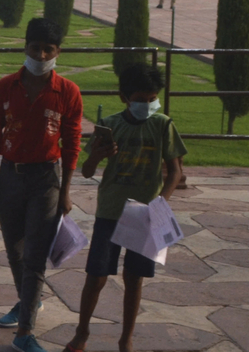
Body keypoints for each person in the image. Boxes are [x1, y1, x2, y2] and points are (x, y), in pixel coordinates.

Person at [0, 18, 83, 352]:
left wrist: (65, 191)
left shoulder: (67, 92)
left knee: (35, 253)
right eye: (35, 47)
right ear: (25, 47)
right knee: (15, 248)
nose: (40, 54)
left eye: (48, 49)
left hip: (46, 179)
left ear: (57, 52)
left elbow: (71, 143)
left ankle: (25, 332)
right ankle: (28, 301)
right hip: (11, 175)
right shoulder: (7, 87)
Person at [67, 62, 186, 352]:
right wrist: (96, 155)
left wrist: (161, 203)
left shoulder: (163, 125)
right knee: (96, 276)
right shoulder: (110, 126)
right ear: (124, 97)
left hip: (145, 214)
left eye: (151, 99)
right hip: (110, 210)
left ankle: (126, 339)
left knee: (134, 278)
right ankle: (81, 334)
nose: (146, 105)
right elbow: (87, 171)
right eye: (139, 100)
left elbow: (175, 172)